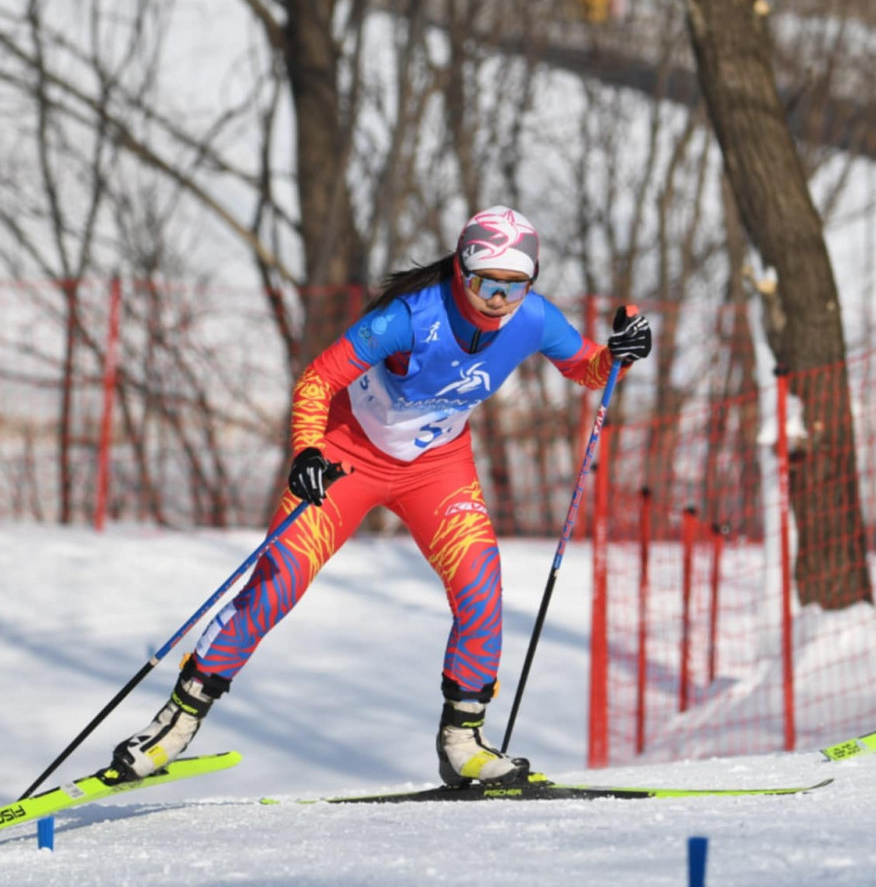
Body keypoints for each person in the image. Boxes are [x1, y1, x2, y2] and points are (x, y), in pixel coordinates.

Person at [107, 206, 653, 787]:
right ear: (460, 270)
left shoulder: (534, 319)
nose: (498, 299)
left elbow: (587, 369)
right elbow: (318, 379)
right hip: (349, 456)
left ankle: (463, 741)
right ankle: (178, 720)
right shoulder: (410, 317)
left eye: (514, 285)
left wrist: (618, 352)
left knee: (480, 578)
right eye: (483, 282)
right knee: (279, 578)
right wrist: (306, 453)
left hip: (436, 467)